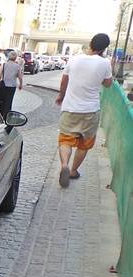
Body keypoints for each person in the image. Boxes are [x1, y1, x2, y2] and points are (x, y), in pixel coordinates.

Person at [55, 33, 112, 187]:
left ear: (90, 43)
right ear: (104, 48)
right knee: (84, 143)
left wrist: (61, 96)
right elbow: (108, 84)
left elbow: (64, 81)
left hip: (70, 108)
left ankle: (65, 165)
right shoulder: (105, 63)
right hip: (90, 110)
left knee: (66, 139)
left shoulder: (73, 60)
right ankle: (73, 171)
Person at [0, 50, 23, 120]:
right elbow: (20, 77)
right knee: (9, 101)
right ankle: (6, 117)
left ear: (8, 57)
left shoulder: (4, 65)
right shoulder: (17, 66)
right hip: (12, 87)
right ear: (15, 58)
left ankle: (1, 115)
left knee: (2, 101)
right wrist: (20, 85)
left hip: (4, 85)